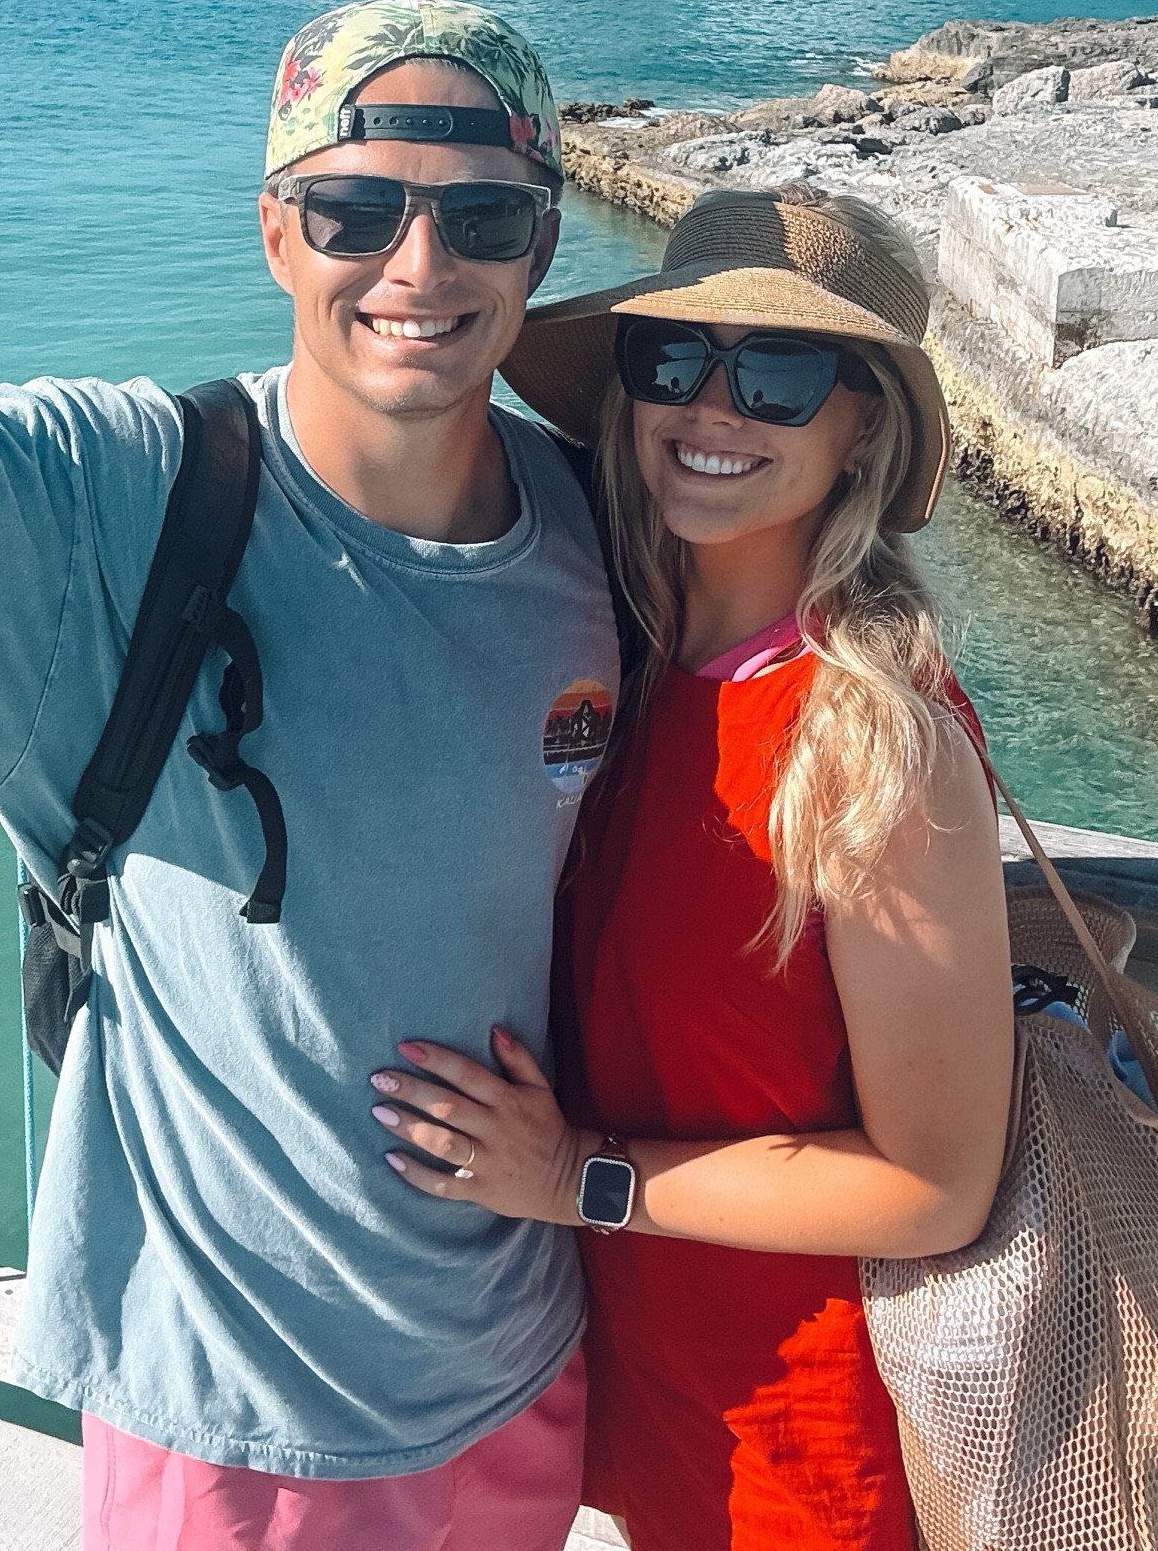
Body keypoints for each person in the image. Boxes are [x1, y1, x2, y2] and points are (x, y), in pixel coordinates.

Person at [0, 0, 621, 1550]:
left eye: (483, 218)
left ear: (541, 250)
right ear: (278, 233)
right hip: (241, 1429)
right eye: (356, 211)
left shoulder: (602, 526)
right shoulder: (113, 508)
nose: (421, 265)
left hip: (526, 1372)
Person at [367, 184, 1015, 1550]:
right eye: (674, 359)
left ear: (863, 430)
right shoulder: (622, 661)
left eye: (778, 375)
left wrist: (576, 1178)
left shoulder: (870, 741)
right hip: (642, 1398)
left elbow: (934, 1185)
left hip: (807, 1453)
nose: (710, 408)